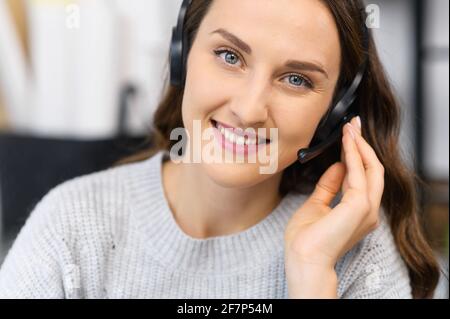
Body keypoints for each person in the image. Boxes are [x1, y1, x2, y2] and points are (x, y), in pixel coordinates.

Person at [0, 0, 440, 298]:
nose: (249, 110)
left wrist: (312, 278)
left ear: (333, 113)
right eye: (230, 56)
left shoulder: (353, 246)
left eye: (296, 79)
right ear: (182, 56)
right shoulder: (69, 227)